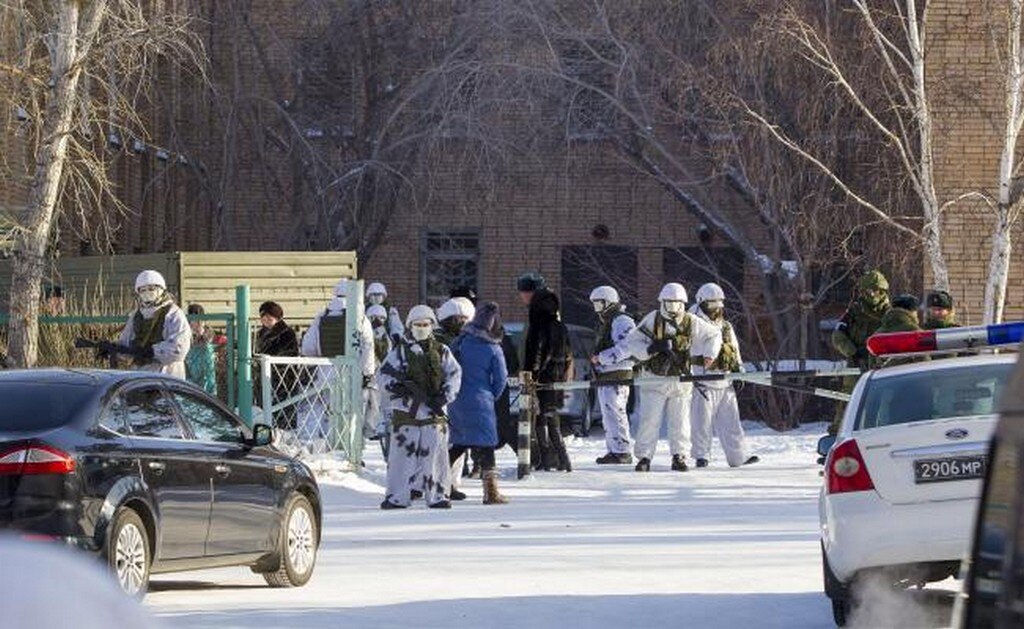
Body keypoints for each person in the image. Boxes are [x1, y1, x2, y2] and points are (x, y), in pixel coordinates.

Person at [614, 282, 722, 473]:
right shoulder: (653, 319)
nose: (672, 307)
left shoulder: (690, 321)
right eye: (669, 303)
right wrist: (650, 349)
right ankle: (644, 456)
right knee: (649, 420)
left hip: (680, 380)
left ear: (683, 303)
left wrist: (709, 355)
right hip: (654, 379)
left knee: (680, 422)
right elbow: (632, 341)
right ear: (662, 302)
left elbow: (714, 335)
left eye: (676, 303)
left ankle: (679, 455)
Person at [378, 305, 462, 510]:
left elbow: (454, 375)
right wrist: (398, 387)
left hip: (434, 414)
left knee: (436, 457)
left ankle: (438, 495)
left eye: (426, 324)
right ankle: (397, 496)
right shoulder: (399, 352)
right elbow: (383, 376)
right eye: (418, 325)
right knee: (400, 459)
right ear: (409, 326)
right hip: (406, 414)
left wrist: (444, 397)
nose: (422, 328)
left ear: (432, 326)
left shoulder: (442, 351)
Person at [688, 283, 758, 468]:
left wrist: (739, 372)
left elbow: (735, 351)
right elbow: (683, 351)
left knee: (731, 421)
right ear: (702, 303)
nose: (716, 309)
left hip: (725, 380)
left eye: (719, 304)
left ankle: (738, 456)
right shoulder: (692, 324)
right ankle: (701, 456)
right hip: (702, 381)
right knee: (701, 423)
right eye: (711, 304)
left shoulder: (725, 326)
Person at [447, 302, 510, 504]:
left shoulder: (460, 342)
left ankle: (439, 482)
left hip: (457, 399)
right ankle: (490, 492)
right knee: (487, 445)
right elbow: (501, 379)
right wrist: (491, 395)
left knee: (458, 443)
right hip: (482, 401)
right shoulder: (493, 348)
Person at [300, 279, 376, 445]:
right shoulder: (360, 317)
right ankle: (350, 449)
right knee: (351, 414)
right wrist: (368, 373)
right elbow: (368, 347)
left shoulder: (322, 316)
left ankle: (328, 447)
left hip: (325, 372)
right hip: (352, 373)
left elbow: (308, 348)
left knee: (328, 412)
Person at [524, 288, 574, 472]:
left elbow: (537, 354)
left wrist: (531, 375)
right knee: (552, 417)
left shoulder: (538, 326)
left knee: (540, 418)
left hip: (542, 379)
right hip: (557, 377)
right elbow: (568, 354)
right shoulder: (560, 326)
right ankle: (563, 458)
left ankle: (547, 459)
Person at [588, 285, 637, 465]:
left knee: (616, 411)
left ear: (608, 302)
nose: (596, 308)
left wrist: (602, 358)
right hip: (607, 374)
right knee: (609, 414)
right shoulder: (608, 321)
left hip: (617, 373)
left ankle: (622, 450)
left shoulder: (622, 321)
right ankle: (614, 450)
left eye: (599, 304)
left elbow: (628, 346)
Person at [111, 270, 191, 378]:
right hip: (140, 376)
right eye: (143, 290)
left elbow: (179, 348)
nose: (147, 293)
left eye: (151, 289)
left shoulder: (173, 314)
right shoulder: (136, 316)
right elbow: (126, 343)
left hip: (168, 375)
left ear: (161, 290)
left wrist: (153, 351)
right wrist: (114, 349)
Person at [832, 269, 890, 371]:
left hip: (882, 370)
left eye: (875, 290)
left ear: (882, 291)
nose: (872, 294)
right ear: (863, 291)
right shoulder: (854, 312)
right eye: (868, 291)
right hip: (856, 368)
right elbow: (837, 335)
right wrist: (853, 352)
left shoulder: (891, 314)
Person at [255, 301, 300, 429]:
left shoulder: (287, 334)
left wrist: (268, 359)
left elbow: (289, 354)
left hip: (283, 380)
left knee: (283, 414)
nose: (265, 322)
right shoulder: (260, 334)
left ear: (277, 318)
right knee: (265, 413)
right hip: (264, 379)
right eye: (263, 319)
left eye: (269, 318)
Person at [184, 303, 218, 395]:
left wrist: (201, 334)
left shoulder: (207, 339)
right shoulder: (186, 337)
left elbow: (209, 369)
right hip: (189, 378)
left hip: (205, 379)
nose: (192, 323)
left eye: (195, 319)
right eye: (191, 320)